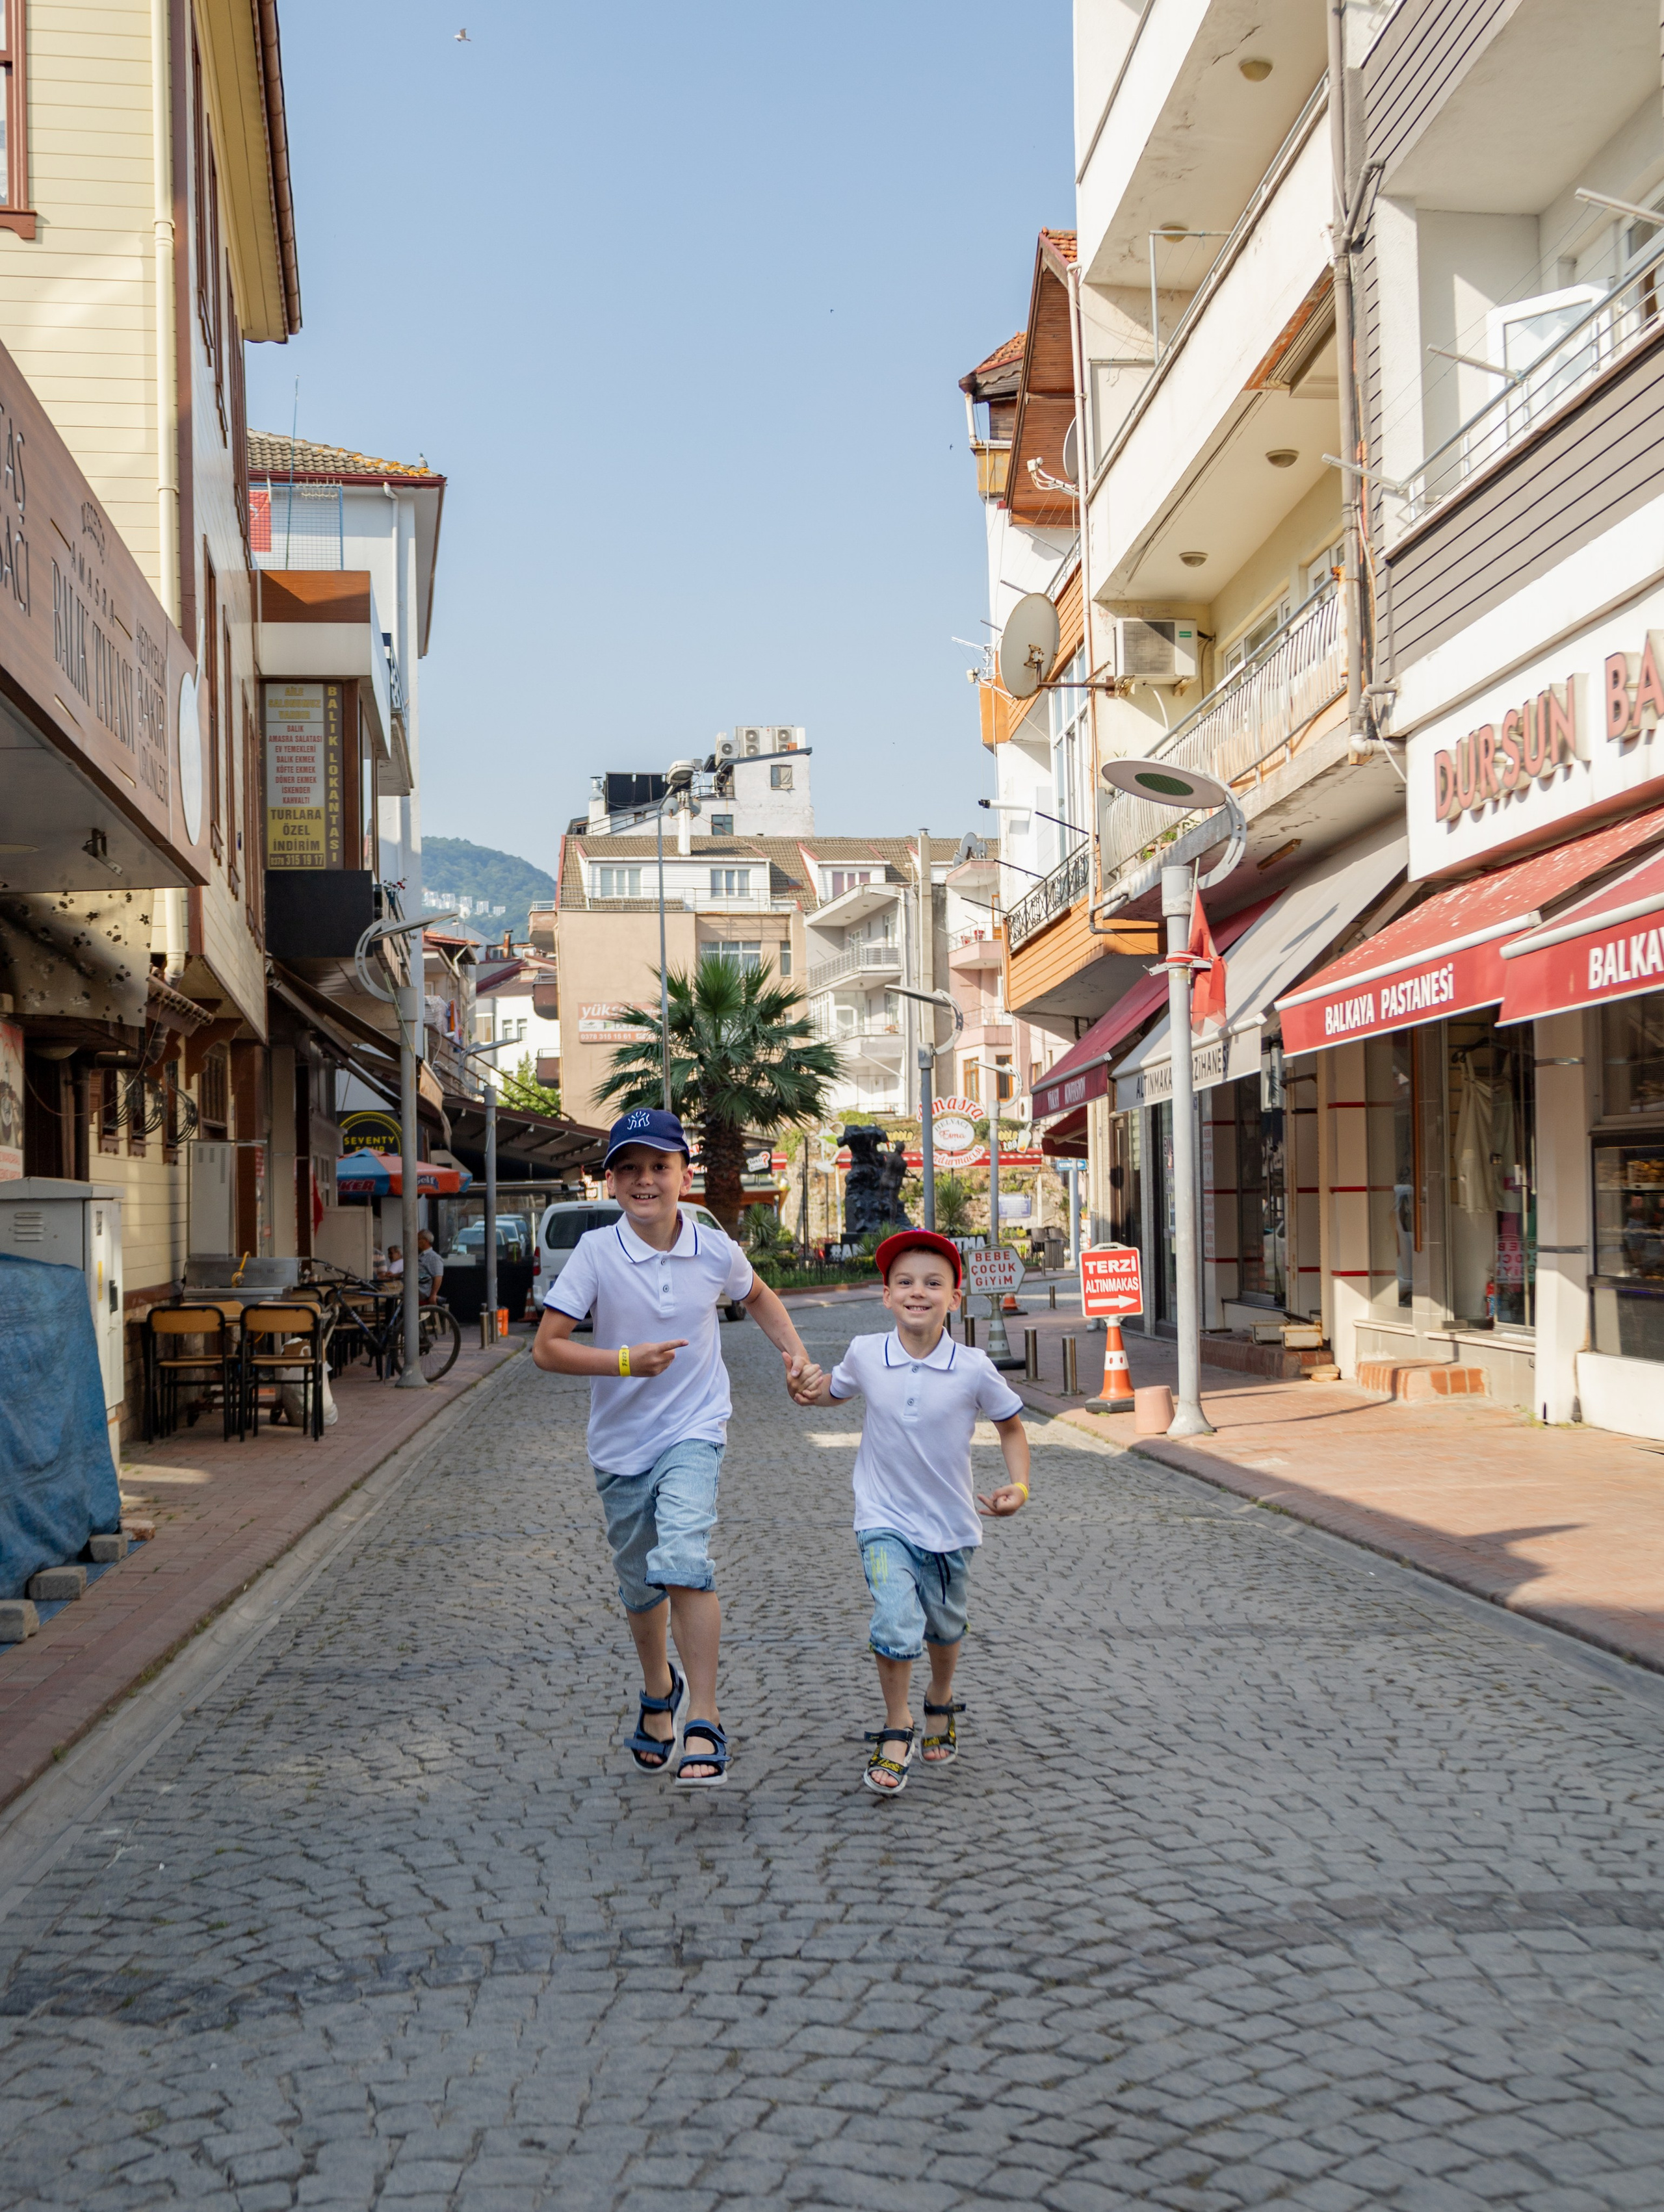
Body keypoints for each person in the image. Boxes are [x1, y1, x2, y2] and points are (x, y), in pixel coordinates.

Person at [532, 1107, 814, 1785]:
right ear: (611, 1182)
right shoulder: (598, 1252)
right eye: (628, 1168)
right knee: (638, 1587)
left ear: (684, 1173)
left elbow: (759, 1295)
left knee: (684, 1555)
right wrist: (623, 1362)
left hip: (694, 1428)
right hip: (620, 1443)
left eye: (658, 1165)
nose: (644, 1180)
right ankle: (659, 1688)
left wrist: (796, 1356)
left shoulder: (713, 1245)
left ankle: (703, 1718)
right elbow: (547, 1347)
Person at [788, 1229, 1029, 1795]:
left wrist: (1018, 1485)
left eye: (932, 1283)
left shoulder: (973, 1367)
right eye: (904, 1282)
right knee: (895, 1621)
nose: (917, 1292)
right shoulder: (866, 1353)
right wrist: (803, 1387)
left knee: (944, 1628)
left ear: (954, 1298)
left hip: (950, 1526)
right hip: (882, 1520)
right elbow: (832, 1392)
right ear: (887, 1296)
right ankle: (897, 1727)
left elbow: (1012, 1426)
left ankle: (939, 1699)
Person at [416, 1230, 445, 1304]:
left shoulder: (434, 1258)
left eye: (418, 1239)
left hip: (422, 1295)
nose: (416, 1242)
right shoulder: (420, 1255)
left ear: (426, 1241)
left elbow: (438, 1277)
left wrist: (433, 1295)